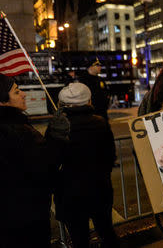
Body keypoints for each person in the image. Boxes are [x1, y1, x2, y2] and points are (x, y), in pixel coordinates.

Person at [0, 74, 69, 248]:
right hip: (27, 218)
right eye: (17, 92)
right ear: (1, 101)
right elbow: (44, 167)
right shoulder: (15, 131)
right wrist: (56, 137)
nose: (24, 94)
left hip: (6, 218)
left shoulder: (5, 127)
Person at [49, 82, 118, 248]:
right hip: (99, 188)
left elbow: (52, 161)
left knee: (79, 238)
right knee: (106, 231)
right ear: (88, 101)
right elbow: (110, 156)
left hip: (70, 193)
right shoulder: (100, 123)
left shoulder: (58, 126)